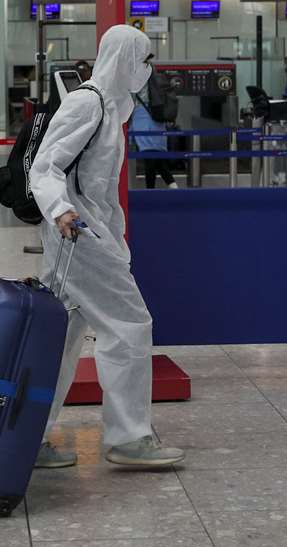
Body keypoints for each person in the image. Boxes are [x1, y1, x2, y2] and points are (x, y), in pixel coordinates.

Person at [29, 25, 184, 469]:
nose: (148, 68)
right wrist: (60, 210)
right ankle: (129, 437)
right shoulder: (87, 103)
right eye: (145, 59)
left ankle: (27, 435)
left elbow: (96, 188)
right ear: (123, 59)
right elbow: (46, 166)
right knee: (131, 325)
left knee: (57, 340)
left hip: (84, 238)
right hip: (78, 238)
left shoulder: (112, 109)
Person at [129, 94, 177, 188]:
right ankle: (174, 189)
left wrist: (130, 140)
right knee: (158, 163)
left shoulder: (136, 90)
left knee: (151, 162)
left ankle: (150, 192)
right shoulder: (156, 90)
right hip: (156, 122)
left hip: (143, 123)